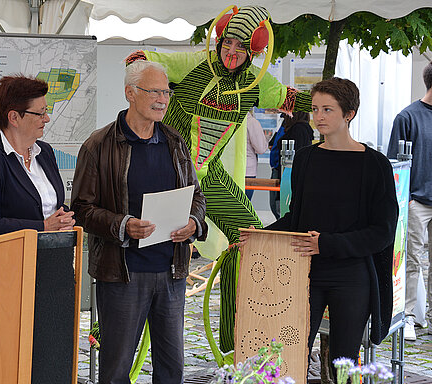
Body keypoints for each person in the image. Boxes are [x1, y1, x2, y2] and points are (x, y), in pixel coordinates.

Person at [124, 6, 312, 352]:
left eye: (241, 47)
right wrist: (142, 91)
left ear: (252, 52)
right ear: (219, 40)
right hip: (168, 177)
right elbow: (142, 58)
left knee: (251, 238)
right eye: (228, 43)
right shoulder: (194, 64)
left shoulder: (258, 83)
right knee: (143, 248)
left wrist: (336, 100)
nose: (231, 52)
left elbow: (294, 98)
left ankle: (234, 339)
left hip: (208, 178)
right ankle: (109, 336)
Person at [239, 77, 398, 374]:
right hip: (303, 272)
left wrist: (326, 243)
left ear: (349, 114)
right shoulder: (305, 158)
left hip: (353, 277)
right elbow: (295, 219)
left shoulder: (375, 164)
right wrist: (259, 236)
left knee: (344, 364)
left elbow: (383, 232)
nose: (319, 117)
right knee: (290, 356)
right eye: (315, 109)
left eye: (328, 109)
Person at [71, 61, 208, 384]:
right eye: (155, 91)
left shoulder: (175, 142)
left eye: (166, 92)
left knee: (172, 368)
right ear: (130, 93)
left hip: (172, 273)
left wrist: (193, 222)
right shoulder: (98, 145)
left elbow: (197, 197)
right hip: (121, 276)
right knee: (116, 370)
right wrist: (123, 225)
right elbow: (81, 209)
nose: (163, 99)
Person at [0, 75, 74, 240]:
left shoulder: (44, 151)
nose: (47, 118)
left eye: (46, 111)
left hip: (53, 257)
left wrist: (64, 218)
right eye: (40, 113)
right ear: (14, 118)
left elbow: (49, 206)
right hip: (8, 261)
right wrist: (43, 227)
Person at [387, 61, 432, 341]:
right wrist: (407, 202)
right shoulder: (407, 117)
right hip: (417, 201)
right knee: (411, 261)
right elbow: (394, 166)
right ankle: (408, 318)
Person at [268, 111, 314, 219]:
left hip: (285, 172)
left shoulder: (297, 129)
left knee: (279, 205)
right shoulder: (294, 128)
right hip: (283, 170)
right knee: (277, 205)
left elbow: (290, 150)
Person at [245, 109, 267, 200]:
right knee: (244, 206)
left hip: (228, 170)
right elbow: (261, 148)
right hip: (247, 172)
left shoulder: (226, 120)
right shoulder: (251, 122)